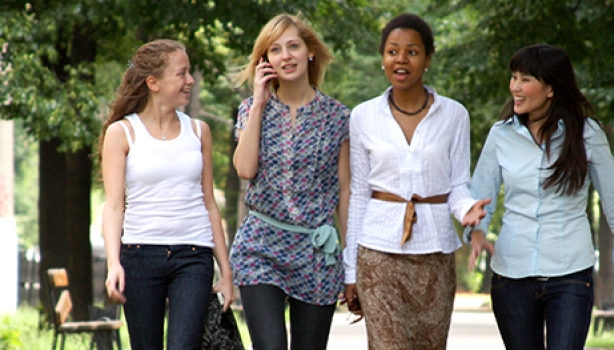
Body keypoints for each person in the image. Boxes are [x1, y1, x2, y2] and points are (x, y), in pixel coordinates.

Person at [466, 44, 614, 349]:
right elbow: (481, 195)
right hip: (512, 275)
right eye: (513, 78)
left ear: (550, 88)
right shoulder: (501, 134)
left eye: (525, 79)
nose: (515, 87)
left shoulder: (587, 134)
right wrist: (477, 233)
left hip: (570, 276)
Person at [343, 13, 490, 349]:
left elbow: (457, 186)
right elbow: (360, 193)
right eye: (392, 51)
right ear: (382, 58)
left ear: (427, 60)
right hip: (378, 253)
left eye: (412, 52)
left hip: (435, 255)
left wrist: (466, 209)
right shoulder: (363, 115)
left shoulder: (455, 114)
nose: (401, 59)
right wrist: (350, 271)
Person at [100, 39, 234, 350]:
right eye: (182, 73)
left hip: (193, 255)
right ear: (154, 83)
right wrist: (113, 263)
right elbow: (114, 206)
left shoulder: (199, 131)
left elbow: (210, 204)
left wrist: (226, 273)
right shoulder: (122, 133)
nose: (191, 81)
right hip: (139, 254)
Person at [230, 13, 350, 350]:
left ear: (310, 51)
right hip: (260, 248)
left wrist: (351, 263)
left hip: (315, 253)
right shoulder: (251, 108)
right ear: (265, 61)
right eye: (275, 50)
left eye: (293, 46)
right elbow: (244, 169)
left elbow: (344, 190)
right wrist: (258, 101)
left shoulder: (338, 117)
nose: (286, 56)